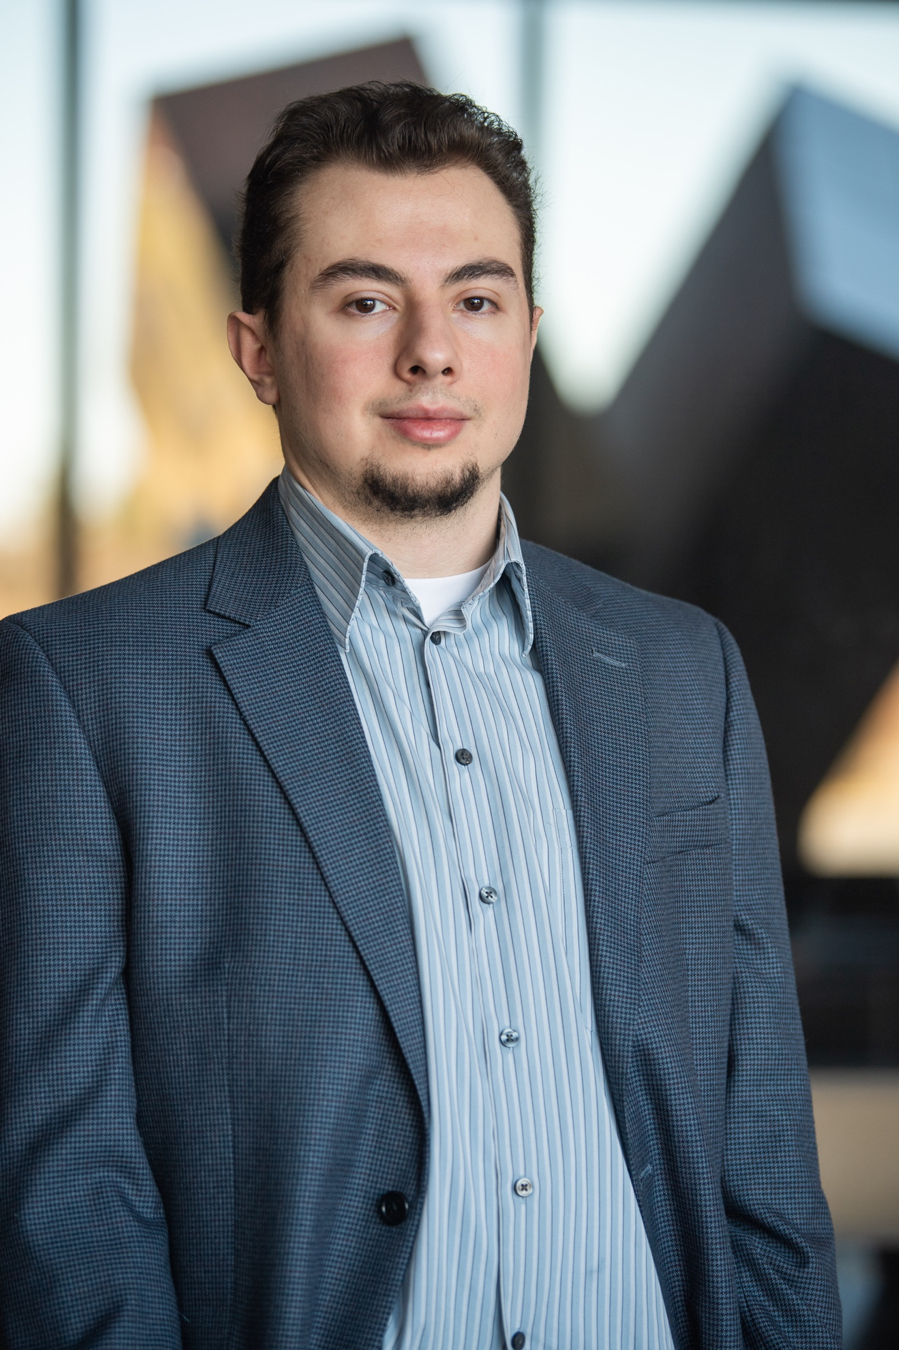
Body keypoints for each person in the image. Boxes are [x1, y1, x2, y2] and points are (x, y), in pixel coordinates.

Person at [0, 81, 840, 1350]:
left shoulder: (682, 673)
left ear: (527, 333)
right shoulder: (81, 689)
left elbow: (759, 1144)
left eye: (477, 298)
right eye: (364, 299)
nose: (430, 351)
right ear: (258, 349)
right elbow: (67, 1197)